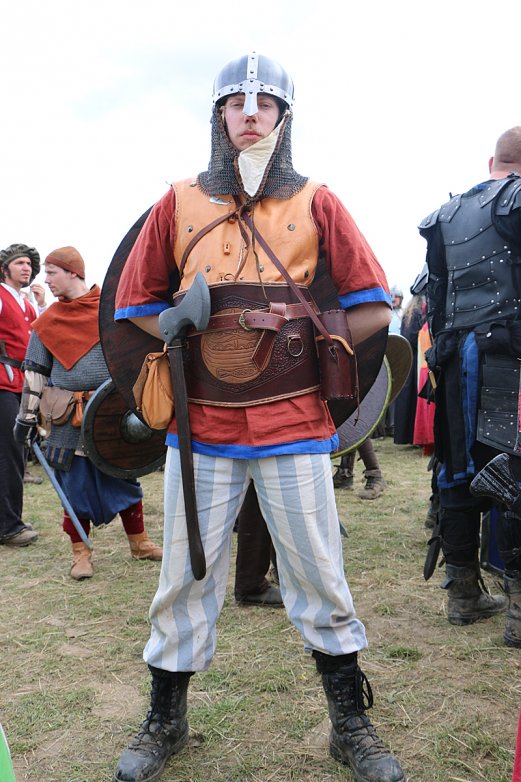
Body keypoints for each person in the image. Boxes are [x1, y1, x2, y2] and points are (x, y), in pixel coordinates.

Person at [112, 53, 405, 782]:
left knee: (319, 574)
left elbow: (373, 305)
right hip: (201, 428)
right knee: (182, 578)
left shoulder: (317, 200)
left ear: (283, 116)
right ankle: (167, 719)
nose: (249, 113)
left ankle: (350, 724)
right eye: (236, 104)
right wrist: (183, 332)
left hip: (294, 424)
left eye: (264, 103)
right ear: (219, 116)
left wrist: (308, 347)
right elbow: (133, 306)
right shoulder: (178, 201)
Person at [417, 126, 521, 639]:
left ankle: (463, 595)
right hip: (510, 357)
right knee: (515, 471)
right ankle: (518, 615)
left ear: (491, 162)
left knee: (457, 470)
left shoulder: (447, 214)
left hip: (456, 359)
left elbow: (433, 295)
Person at [14, 246, 163, 579]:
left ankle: (140, 543)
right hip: (68, 416)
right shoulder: (47, 323)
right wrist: (26, 416)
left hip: (113, 415)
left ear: (73, 272)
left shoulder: (109, 312)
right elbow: (35, 373)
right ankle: (80, 553)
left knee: (125, 478)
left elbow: (134, 356)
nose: (46, 280)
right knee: (74, 486)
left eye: (52, 272)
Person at [0, 243, 43, 547]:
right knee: (9, 454)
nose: (26, 268)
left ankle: (9, 520)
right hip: (2, 383)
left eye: (29, 264)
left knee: (14, 452)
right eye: (20, 263)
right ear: (5, 269)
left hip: (20, 384)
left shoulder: (26, 304)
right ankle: (9, 526)